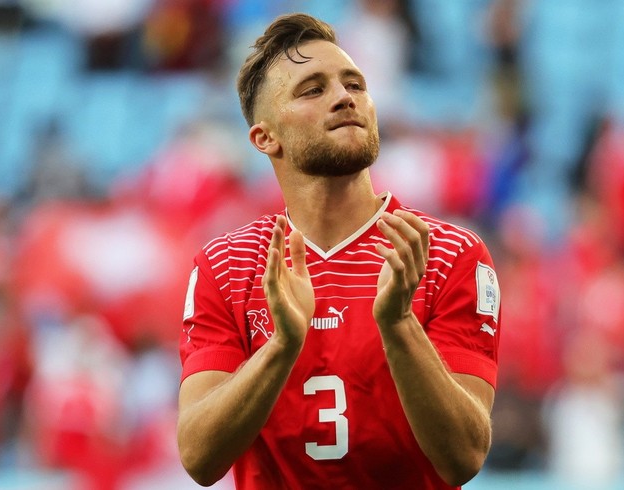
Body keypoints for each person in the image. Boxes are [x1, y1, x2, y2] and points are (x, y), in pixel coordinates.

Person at [176, 13, 501, 489]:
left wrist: (398, 324)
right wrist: (281, 346)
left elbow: (465, 456)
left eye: (355, 83)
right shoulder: (228, 264)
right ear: (265, 137)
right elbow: (199, 458)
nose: (344, 97)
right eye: (313, 89)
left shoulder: (447, 254)